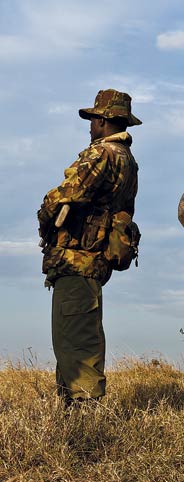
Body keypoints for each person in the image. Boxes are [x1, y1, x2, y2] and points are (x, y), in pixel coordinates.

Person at [37, 89, 141, 406]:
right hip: (92, 262)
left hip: (76, 259)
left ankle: (84, 417)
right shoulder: (129, 162)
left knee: (76, 341)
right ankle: (75, 409)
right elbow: (125, 211)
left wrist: (45, 217)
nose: (91, 125)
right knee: (75, 337)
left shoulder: (101, 154)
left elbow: (62, 196)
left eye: (94, 118)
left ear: (105, 121)